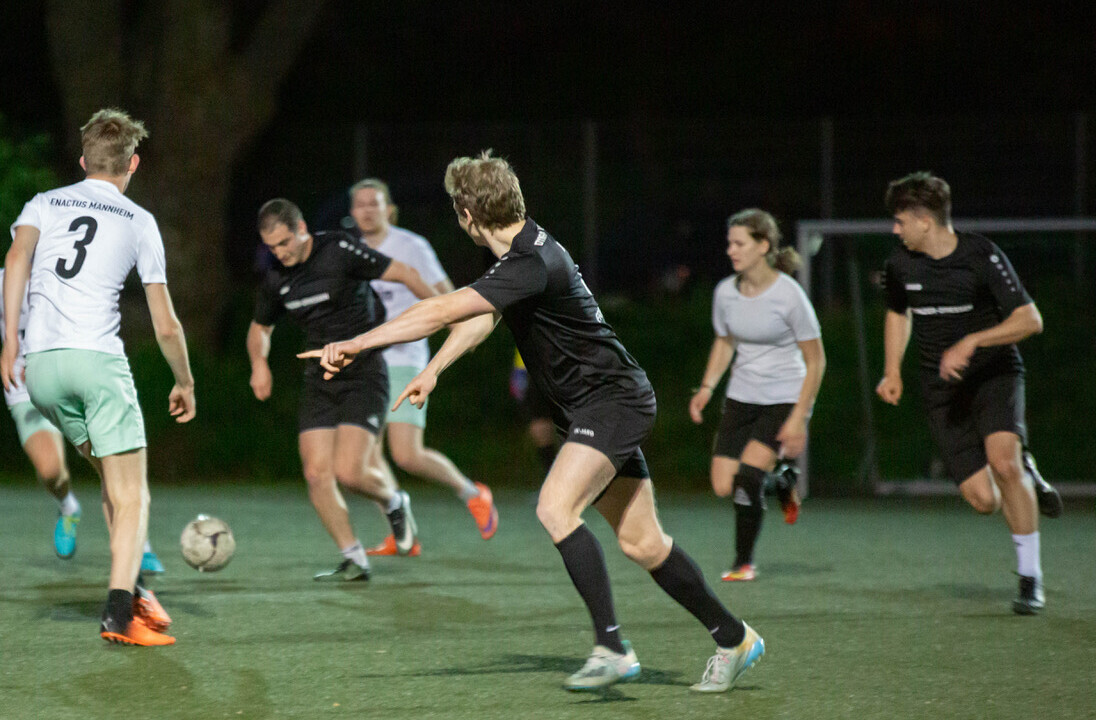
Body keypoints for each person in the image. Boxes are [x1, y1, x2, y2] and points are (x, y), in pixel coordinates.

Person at [302, 151, 765, 693]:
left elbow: (441, 309)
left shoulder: (530, 262)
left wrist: (356, 342)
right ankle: (735, 638)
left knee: (554, 507)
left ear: (467, 215)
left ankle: (611, 647)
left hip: (610, 403)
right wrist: (434, 368)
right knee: (643, 543)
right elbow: (478, 319)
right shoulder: (519, 257)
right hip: (603, 403)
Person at [1, 108, 195, 646]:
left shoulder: (44, 202)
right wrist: (185, 381)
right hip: (96, 365)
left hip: (41, 371)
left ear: (83, 160)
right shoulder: (137, 220)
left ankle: (133, 590)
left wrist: (12, 340)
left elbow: (17, 257)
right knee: (134, 495)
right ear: (133, 163)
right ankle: (117, 614)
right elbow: (166, 323)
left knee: (112, 480)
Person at [876, 171, 1061, 615]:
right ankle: (1025, 474)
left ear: (924, 220)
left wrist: (973, 341)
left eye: (900, 221)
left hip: (995, 375)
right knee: (984, 500)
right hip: (941, 390)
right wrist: (891, 370)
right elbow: (898, 315)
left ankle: (1030, 579)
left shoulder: (982, 256)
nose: (895, 230)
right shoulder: (899, 265)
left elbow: (1030, 320)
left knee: (1003, 463)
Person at [247, 198, 438, 581]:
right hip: (320, 377)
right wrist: (259, 365)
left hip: (365, 370)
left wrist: (442, 309)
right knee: (317, 474)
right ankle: (354, 557)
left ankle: (394, 501)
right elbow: (259, 329)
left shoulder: (338, 249)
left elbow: (403, 272)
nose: (281, 253)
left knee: (350, 473)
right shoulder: (277, 279)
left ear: (302, 228)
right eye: (272, 247)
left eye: (285, 242)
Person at [348, 178, 498, 555]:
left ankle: (472, 493)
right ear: (352, 212)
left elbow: (446, 293)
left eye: (374, 203)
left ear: (389, 209)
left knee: (406, 454)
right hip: (367, 362)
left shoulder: (411, 246)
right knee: (365, 458)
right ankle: (403, 535)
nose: (367, 209)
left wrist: (461, 333)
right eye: (360, 204)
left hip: (405, 357)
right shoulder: (349, 249)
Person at [688, 209, 826, 582]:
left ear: (763, 246)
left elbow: (816, 361)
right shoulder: (725, 293)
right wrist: (706, 389)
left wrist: (799, 416)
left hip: (783, 395)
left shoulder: (789, 296)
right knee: (722, 484)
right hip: (741, 396)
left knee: (748, 475)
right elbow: (725, 341)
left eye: (740, 243)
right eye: (729, 243)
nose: (731, 250)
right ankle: (781, 480)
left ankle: (743, 562)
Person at [0, 268, 81, 558]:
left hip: (72, 381)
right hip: (25, 391)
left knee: (113, 460)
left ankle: (139, 553)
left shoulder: (70, 275)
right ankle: (68, 507)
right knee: (51, 472)